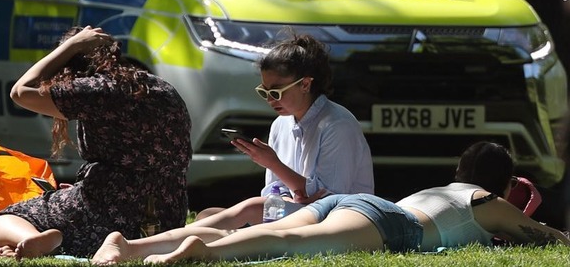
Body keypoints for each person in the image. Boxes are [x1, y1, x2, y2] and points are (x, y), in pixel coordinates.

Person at [91, 141, 570, 265]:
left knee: (253, 232)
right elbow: (550, 240)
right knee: (292, 242)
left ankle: (131, 246)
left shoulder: (449, 190)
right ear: (504, 184)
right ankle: (203, 251)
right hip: (388, 221)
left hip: (357, 202)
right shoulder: (488, 200)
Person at [0, 25, 192, 259]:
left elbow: (20, 91)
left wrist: (72, 45)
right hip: (166, 216)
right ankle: (46, 238)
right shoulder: (161, 87)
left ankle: (41, 239)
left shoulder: (97, 89)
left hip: (107, 214)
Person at [190, 31, 373, 229]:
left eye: (276, 92)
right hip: (298, 211)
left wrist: (273, 164)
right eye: (264, 92)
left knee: (249, 209)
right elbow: (274, 190)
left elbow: (331, 199)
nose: (270, 100)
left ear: (305, 84)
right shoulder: (280, 123)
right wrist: (287, 198)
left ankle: (177, 237)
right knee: (207, 215)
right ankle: (235, 234)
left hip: (338, 219)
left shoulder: (338, 124)